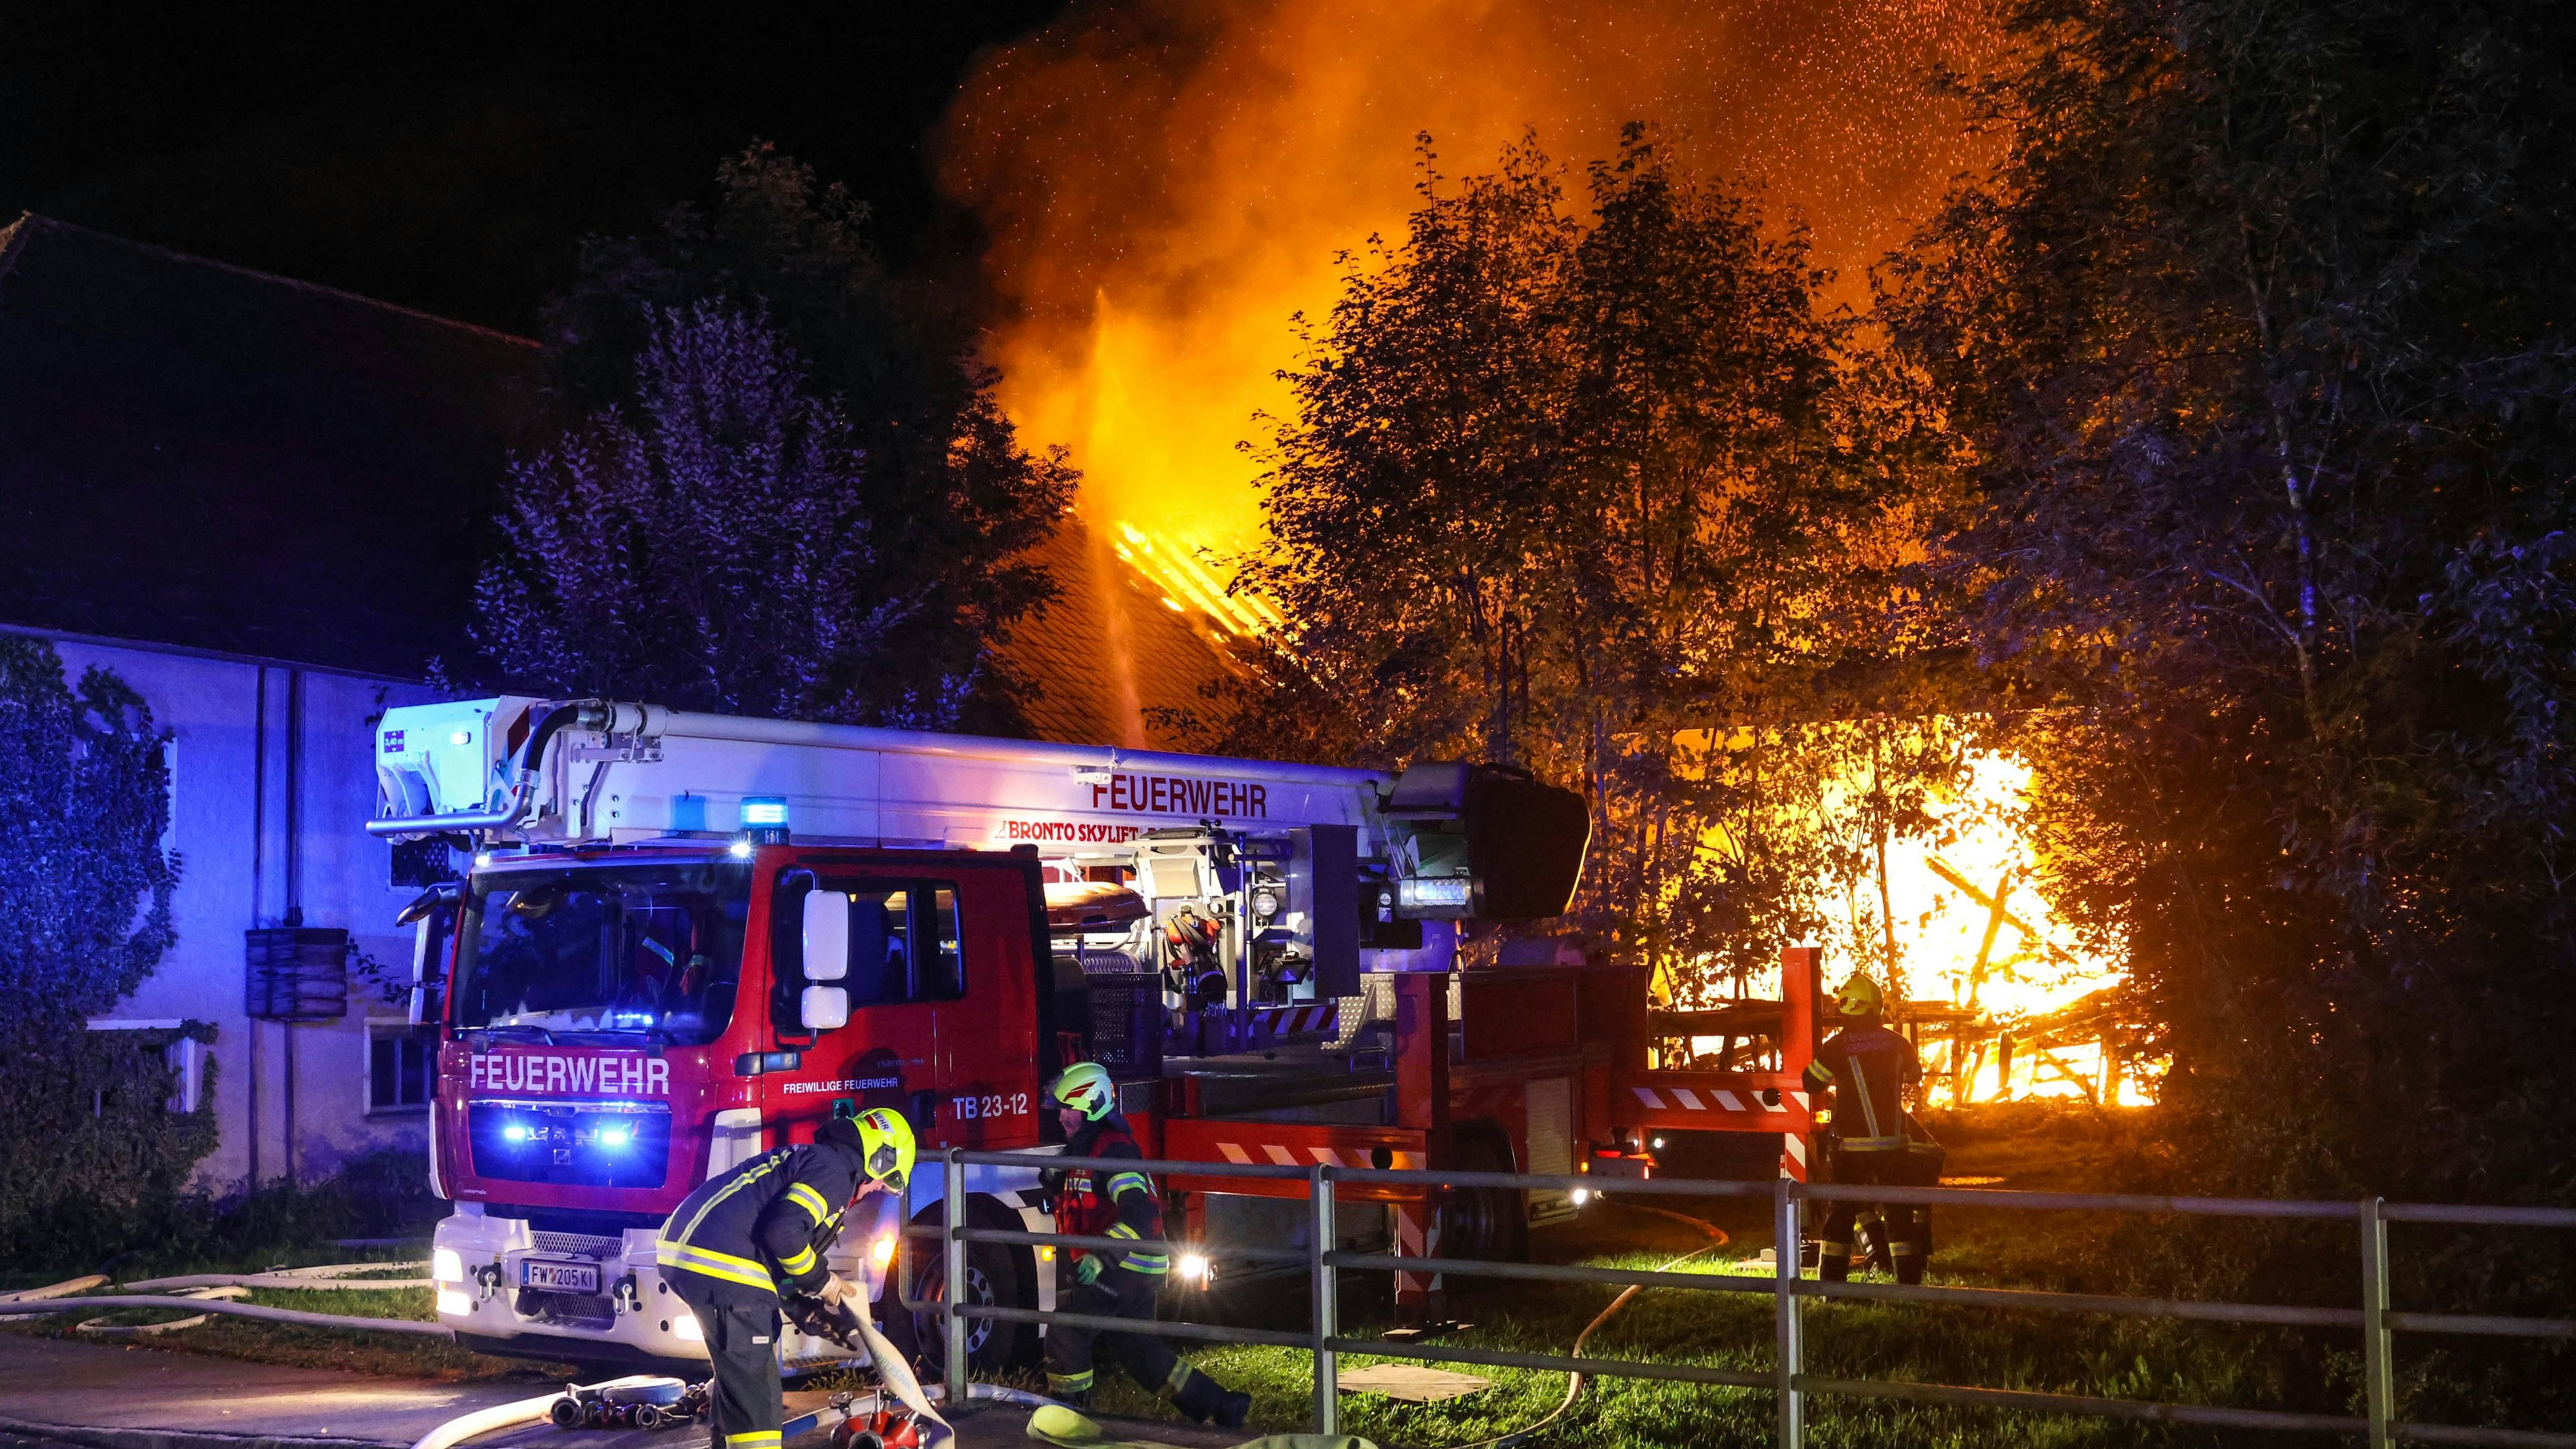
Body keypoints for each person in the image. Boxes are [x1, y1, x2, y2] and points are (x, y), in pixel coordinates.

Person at [658, 1108, 915, 1449]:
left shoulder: (821, 1161)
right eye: (890, 1179)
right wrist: (826, 1283)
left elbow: (771, 1254)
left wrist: (804, 1310)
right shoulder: (835, 1173)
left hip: (699, 1257)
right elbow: (783, 1235)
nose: (880, 1189)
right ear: (880, 1159)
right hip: (722, 1264)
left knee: (739, 1384)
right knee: (758, 1400)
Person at [1041, 1061, 1251, 1428]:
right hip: (1136, 1267)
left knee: (1069, 1330)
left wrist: (1101, 1256)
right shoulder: (1090, 1149)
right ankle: (1222, 1405)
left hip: (1124, 1266)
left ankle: (1069, 1416)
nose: (1060, 1117)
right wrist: (1056, 1182)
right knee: (1141, 1354)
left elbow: (1139, 1215)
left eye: (1066, 1109)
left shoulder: (1113, 1151)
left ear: (1090, 1105)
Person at [1802, 974, 1932, 1285]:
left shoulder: (1837, 1046)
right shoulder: (1898, 1043)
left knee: (1842, 1216)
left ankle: (1831, 1289)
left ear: (1847, 1010)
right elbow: (1915, 1076)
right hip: (1894, 1147)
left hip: (1852, 1149)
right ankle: (1909, 1286)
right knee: (1899, 1216)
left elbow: (1811, 1082)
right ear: (1876, 1009)